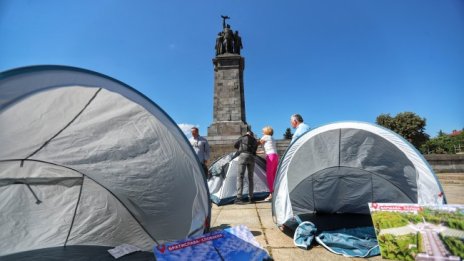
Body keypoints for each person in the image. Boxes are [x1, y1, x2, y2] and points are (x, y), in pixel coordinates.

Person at [234, 130, 258, 204]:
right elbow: (255, 149)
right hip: (252, 157)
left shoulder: (242, 138)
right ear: (252, 134)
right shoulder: (254, 140)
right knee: (250, 178)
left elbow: (235, 145)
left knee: (240, 177)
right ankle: (251, 197)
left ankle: (239, 198)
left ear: (247, 134)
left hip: (243, 155)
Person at [258, 126, 279, 202]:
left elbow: (257, 143)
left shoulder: (266, 136)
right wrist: (256, 152)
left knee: (269, 176)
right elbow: (267, 150)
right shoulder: (272, 138)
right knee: (273, 175)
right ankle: (275, 192)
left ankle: (271, 194)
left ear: (266, 131)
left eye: (263, 131)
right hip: (275, 156)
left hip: (270, 157)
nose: (262, 132)